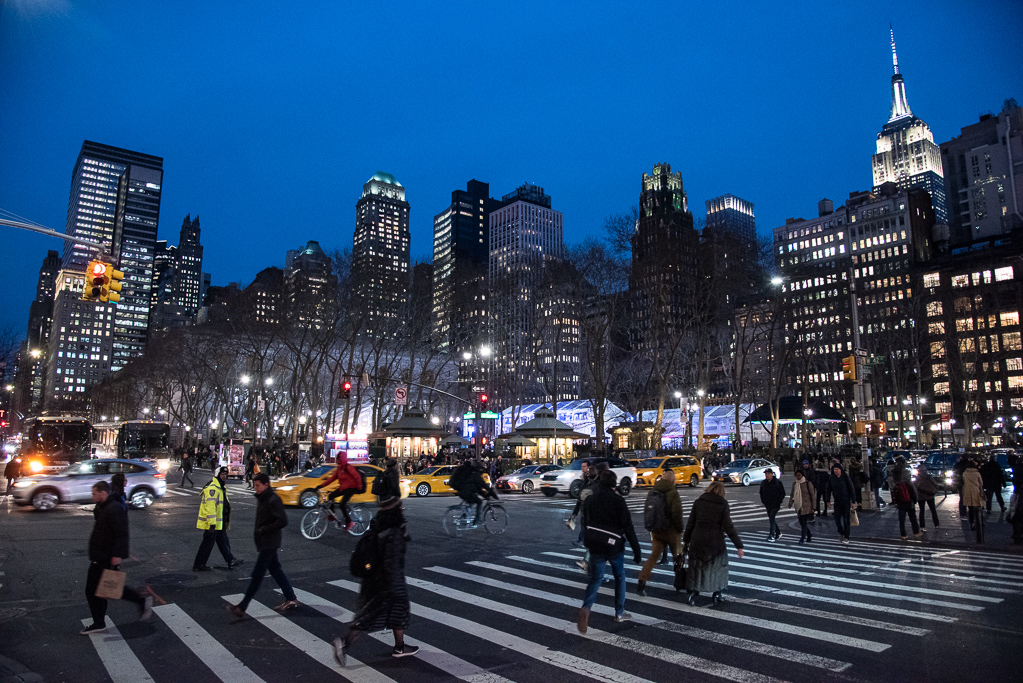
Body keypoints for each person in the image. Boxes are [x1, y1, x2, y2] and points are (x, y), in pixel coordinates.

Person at [332, 495, 417, 665]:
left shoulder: (379, 524)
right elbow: (391, 561)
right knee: (370, 616)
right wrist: (393, 585)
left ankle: (399, 647)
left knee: (395, 613)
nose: (402, 510)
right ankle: (344, 642)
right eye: (400, 507)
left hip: (373, 578)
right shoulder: (394, 531)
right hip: (387, 581)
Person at [80, 481, 152, 634]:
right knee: (103, 589)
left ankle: (139, 601)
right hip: (100, 554)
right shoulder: (104, 507)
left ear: (102, 493)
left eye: (94, 493)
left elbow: (122, 534)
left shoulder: (114, 509)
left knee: (105, 588)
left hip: (106, 555)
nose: (92, 496)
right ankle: (99, 621)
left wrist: (117, 555)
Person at [576, 471, 642, 633]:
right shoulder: (618, 501)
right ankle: (619, 612)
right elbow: (628, 527)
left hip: (595, 545)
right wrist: (636, 549)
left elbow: (586, 522)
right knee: (619, 576)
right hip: (614, 546)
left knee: (595, 579)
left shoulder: (591, 499)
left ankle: (586, 607)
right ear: (614, 484)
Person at [227, 473, 299, 619]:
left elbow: (283, 521)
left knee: (257, 575)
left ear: (266, 484)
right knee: (276, 570)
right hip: (266, 541)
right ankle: (291, 598)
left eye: (258, 485)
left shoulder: (273, 499)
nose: (256, 488)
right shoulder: (264, 498)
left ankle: (242, 606)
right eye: (255, 485)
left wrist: (264, 530)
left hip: (269, 542)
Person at [682, 481, 744, 605]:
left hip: (697, 539)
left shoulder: (699, 502)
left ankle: (694, 592)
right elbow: (729, 527)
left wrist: (686, 540)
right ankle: (717, 592)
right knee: (718, 567)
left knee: (696, 567)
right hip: (715, 542)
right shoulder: (723, 505)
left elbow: (690, 523)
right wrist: (739, 545)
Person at [636, 468, 683, 596]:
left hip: (657, 530)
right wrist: (680, 529)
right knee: (678, 557)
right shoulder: (673, 492)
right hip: (671, 532)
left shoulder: (653, 490)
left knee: (653, 557)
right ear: (672, 480)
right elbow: (676, 513)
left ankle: (642, 580)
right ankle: (679, 582)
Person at [194, 467, 243, 571]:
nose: (224, 476)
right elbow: (210, 508)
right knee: (208, 543)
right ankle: (199, 564)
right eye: (222, 474)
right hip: (214, 523)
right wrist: (212, 524)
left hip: (219, 522)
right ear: (218, 475)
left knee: (223, 541)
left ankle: (230, 560)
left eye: (226, 474)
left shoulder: (220, 487)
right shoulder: (213, 488)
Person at [316, 455, 365, 531]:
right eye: (337, 458)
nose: (337, 460)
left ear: (342, 459)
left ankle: (349, 522)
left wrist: (359, 487)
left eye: (339, 458)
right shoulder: (339, 469)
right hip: (344, 488)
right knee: (331, 496)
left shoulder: (348, 467)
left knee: (342, 504)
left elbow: (357, 477)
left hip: (352, 487)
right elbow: (331, 479)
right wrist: (321, 486)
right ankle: (332, 515)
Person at [449, 459, 496, 525]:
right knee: (479, 502)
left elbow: (478, 488)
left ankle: (464, 517)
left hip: (463, 490)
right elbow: (483, 485)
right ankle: (477, 520)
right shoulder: (475, 474)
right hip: (466, 492)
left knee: (471, 502)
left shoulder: (471, 473)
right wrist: (493, 493)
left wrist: (484, 494)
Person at [890, 457, 922, 540]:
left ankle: (903, 534)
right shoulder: (906, 472)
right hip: (908, 498)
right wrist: (915, 499)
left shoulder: (895, 472)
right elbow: (911, 488)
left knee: (901, 518)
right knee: (912, 516)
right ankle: (916, 532)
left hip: (900, 498)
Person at [826, 462, 855, 545]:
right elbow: (828, 490)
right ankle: (841, 532)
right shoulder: (832, 478)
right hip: (837, 501)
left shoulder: (845, 477)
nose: (836, 471)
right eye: (834, 469)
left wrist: (853, 501)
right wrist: (828, 500)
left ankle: (846, 536)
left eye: (837, 469)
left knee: (846, 520)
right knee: (837, 519)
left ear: (840, 470)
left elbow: (851, 488)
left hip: (846, 501)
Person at [961, 459, 985, 543]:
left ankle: (972, 523)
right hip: (976, 491)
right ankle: (980, 523)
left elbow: (963, 481)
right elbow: (981, 483)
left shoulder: (965, 473)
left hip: (967, 491)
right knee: (978, 507)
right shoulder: (977, 473)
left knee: (970, 508)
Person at [789, 469, 816, 544]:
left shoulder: (808, 483)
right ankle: (809, 534)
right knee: (801, 522)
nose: (797, 477)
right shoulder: (795, 484)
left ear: (802, 475)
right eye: (796, 475)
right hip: (798, 505)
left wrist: (814, 506)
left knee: (804, 522)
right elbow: (792, 494)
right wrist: (790, 503)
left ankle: (802, 538)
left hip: (806, 505)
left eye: (799, 475)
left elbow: (812, 495)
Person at [758, 468, 786, 542]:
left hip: (775, 504)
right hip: (768, 504)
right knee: (771, 518)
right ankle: (778, 532)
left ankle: (772, 535)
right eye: (766, 474)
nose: (766, 475)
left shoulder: (777, 482)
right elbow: (761, 493)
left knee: (772, 516)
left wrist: (779, 501)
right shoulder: (764, 483)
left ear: (772, 474)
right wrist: (763, 501)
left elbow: (782, 493)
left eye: (768, 474)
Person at [914, 466, 940, 531]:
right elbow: (935, 485)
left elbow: (915, 487)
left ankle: (922, 526)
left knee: (922, 511)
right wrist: (935, 491)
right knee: (933, 510)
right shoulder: (929, 477)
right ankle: (936, 524)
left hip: (921, 496)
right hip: (930, 495)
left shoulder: (917, 478)